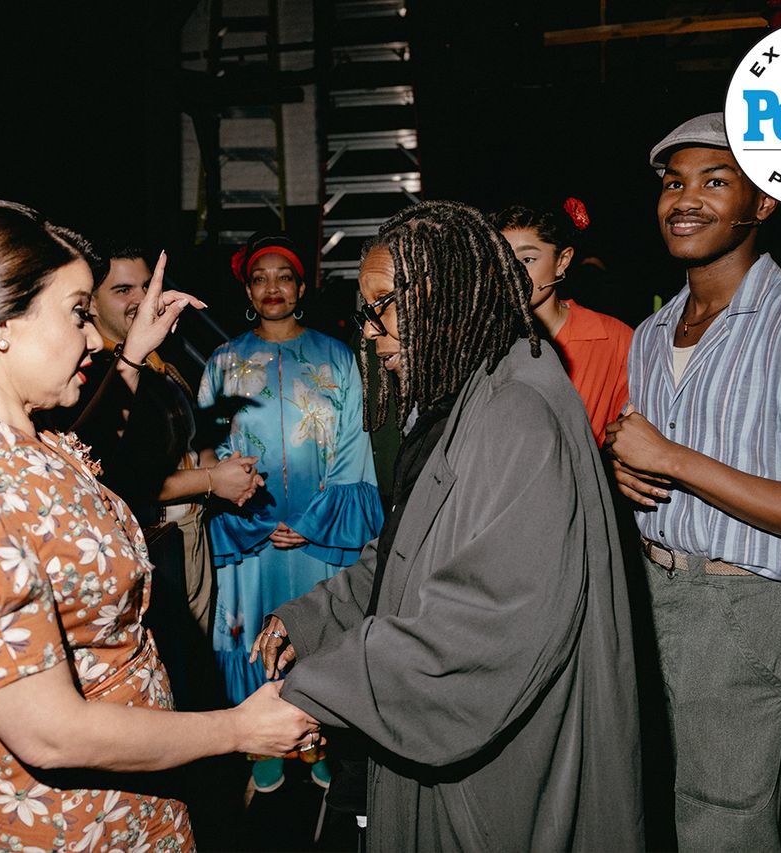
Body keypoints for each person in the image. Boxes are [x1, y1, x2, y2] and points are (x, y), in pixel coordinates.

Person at [0, 200, 318, 853]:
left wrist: (136, 351)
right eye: (78, 312)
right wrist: (239, 730)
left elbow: (78, 461)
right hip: (65, 827)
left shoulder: (24, 438)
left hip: (132, 810)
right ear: (3, 322)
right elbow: (51, 734)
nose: (93, 337)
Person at [254, 201, 643, 851]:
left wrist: (311, 692)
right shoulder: (473, 389)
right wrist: (314, 616)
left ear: (445, 299)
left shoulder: (516, 416)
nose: (371, 333)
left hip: (501, 785)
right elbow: (408, 551)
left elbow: (481, 630)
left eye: (382, 306)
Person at [604, 112, 781, 851]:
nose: (685, 200)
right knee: (658, 816)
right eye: (673, 182)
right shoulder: (657, 332)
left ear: (763, 203)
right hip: (655, 597)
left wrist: (673, 460)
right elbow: (659, 458)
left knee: (726, 832)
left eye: (715, 181)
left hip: (751, 616)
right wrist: (631, 468)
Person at [198, 232, 384, 793]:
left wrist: (312, 526)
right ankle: (259, 745)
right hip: (250, 534)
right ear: (247, 290)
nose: (271, 287)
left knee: (319, 632)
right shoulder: (223, 361)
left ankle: (320, 737)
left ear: (301, 287)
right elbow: (209, 452)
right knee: (252, 632)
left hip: (316, 536)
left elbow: (354, 448)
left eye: (283, 276)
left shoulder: (337, 356)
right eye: (260, 278)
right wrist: (252, 517)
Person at [39, 245, 261, 642]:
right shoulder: (92, 376)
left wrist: (227, 470)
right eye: (123, 290)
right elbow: (112, 478)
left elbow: (190, 443)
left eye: (146, 287)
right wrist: (212, 480)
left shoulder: (161, 365)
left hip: (189, 535)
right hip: (150, 542)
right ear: (89, 303)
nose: (142, 300)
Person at [493, 203, 633, 446]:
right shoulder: (484, 340)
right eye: (502, 259)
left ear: (562, 261)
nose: (512, 272)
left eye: (527, 259)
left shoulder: (613, 338)